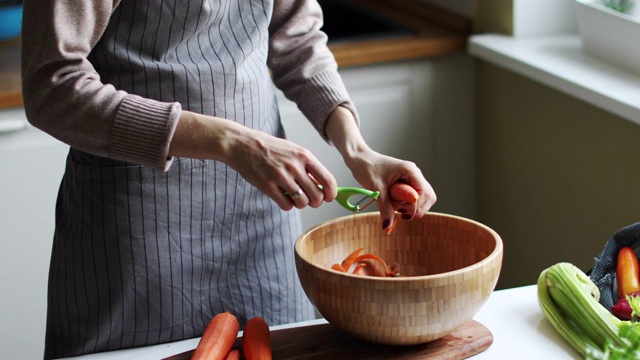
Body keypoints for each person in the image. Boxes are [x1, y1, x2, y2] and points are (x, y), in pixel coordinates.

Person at [21, 1, 436, 358]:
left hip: (262, 218)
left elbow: (299, 39)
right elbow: (52, 86)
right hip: (139, 224)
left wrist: (357, 150)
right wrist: (231, 140)